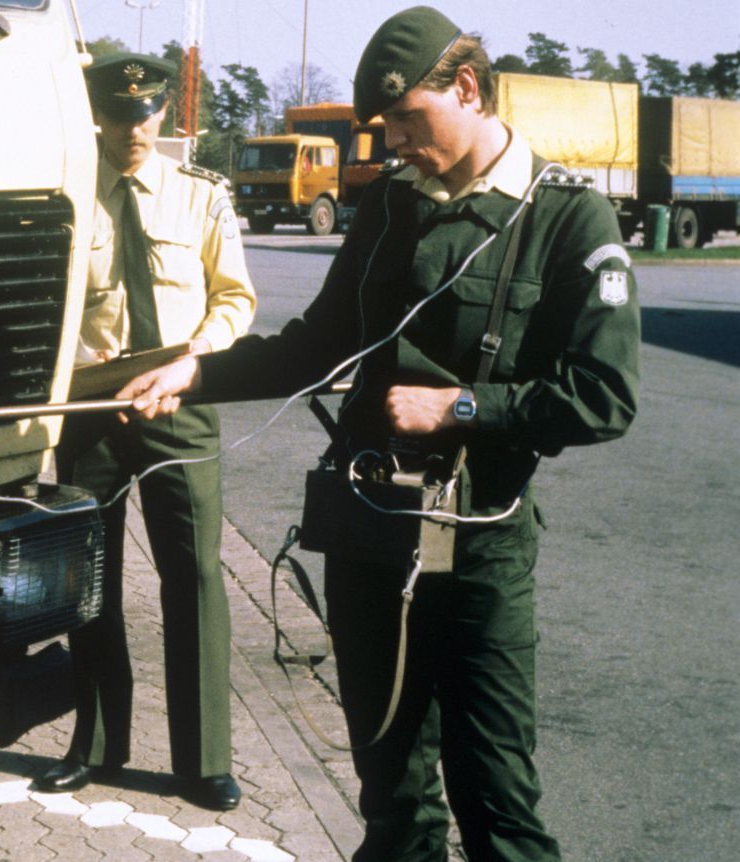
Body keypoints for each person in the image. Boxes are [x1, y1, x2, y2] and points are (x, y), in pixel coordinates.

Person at [116, 7, 639, 860]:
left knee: (498, 804)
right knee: (392, 800)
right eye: (383, 125)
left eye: (406, 118)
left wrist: (462, 406)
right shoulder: (392, 207)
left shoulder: (566, 217)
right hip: (368, 537)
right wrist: (195, 371)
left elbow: (604, 394)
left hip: (480, 550)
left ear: (466, 88)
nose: (392, 141)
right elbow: (319, 346)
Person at [33, 52, 257, 811]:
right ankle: (97, 744)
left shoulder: (200, 199)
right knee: (87, 579)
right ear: (96, 112)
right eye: (120, 114)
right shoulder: (66, 199)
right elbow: (43, 305)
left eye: (146, 113)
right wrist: (69, 353)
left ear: (165, 113)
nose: (134, 128)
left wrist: (192, 362)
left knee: (192, 575)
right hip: (91, 408)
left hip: (178, 407)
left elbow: (235, 301)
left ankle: (203, 762)